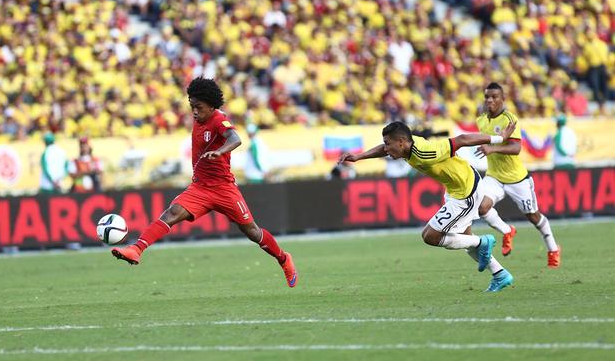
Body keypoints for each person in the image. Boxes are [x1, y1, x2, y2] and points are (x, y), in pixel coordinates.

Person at [111, 77, 298, 288]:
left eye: (198, 107)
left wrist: (219, 152)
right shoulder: (199, 118)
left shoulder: (218, 119)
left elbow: (235, 138)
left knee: (252, 232)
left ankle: (283, 259)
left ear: (211, 105)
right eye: (192, 107)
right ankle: (136, 249)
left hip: (224, 189)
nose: (194, 112)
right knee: (171, 213)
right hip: (200, 187)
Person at [339, 120, 516, 292]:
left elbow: (461, 140)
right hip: (456, 187)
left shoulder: (425, 152)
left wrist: (499, 139)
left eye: (388, 144)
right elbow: (384, 149)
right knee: (464, 239)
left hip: (466, 190)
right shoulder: (405, 144)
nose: (385, 148)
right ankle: (500, 274)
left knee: (431, 236)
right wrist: (359, 156)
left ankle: (482, 241)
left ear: (401, 143)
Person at [475, 83, 561, 268]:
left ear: (502, 99)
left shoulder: (510, 119)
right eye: (487, 97)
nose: (490, 100)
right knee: (481, 207)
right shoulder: (481, 120)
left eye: (494, 97)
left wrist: (492, 148)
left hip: (517, 179)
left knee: (533, 217)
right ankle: (507, 231)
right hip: (494, 177)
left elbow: (516, 148)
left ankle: (553, 248)